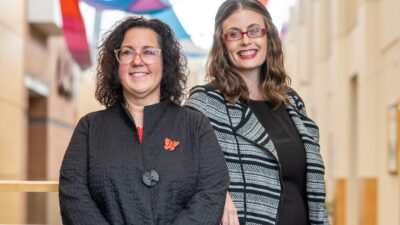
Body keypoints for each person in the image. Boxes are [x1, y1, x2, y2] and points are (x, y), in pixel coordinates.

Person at [59, 16, 229, 225]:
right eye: (127, 52)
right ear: (116, 63)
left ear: (165, 62)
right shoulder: (90, 128)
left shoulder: (195, 126)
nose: (137, 60)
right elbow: (73, 196)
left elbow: (211, 191)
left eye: (149, 52)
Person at [185, 0, 330, 225]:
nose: (246, 40)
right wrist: (216, 195)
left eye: (254, 30)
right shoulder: (205, 103)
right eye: (234, 34)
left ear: (267, 36)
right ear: (222, 44)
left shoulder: (291, 101)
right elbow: (180, 169)